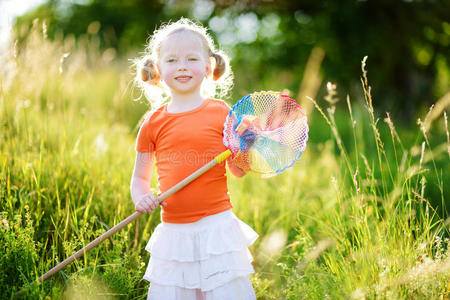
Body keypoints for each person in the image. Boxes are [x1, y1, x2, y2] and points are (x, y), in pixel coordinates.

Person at [130, 18, 258, 300]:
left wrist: (245, 146)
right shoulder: (153, 123)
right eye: (173, 60)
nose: (183, 66)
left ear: (209, 66)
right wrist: (142, 197)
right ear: (158, 69)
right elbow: (140, 177)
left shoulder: (222, 113)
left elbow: (237, 170)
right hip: (174, 231)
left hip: (217, 227)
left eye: (191, 58)